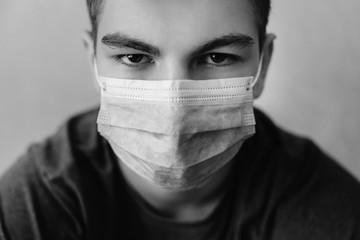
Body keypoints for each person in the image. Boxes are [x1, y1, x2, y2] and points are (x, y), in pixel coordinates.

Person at [0, 0, 360, 239]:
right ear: (92, 62)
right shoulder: (35, 205)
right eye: (134, 58)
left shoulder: (331, 211)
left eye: (217, 57)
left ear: (262, 66)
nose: (174, 100)